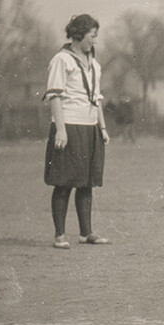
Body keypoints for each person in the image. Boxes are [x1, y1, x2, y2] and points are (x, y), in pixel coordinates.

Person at [43, 14, 111, 249]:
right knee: (65, 182)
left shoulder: (95, 64)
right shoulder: (62, 60)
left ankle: (86, 232)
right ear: (79, 35)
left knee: (87, 182)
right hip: (69, 126)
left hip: (89, 127)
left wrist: (102, 127)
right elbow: (55, 96)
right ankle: (59, 235)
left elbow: (97, 98)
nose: (95, 41)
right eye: (92, 36)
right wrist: (61, 129)